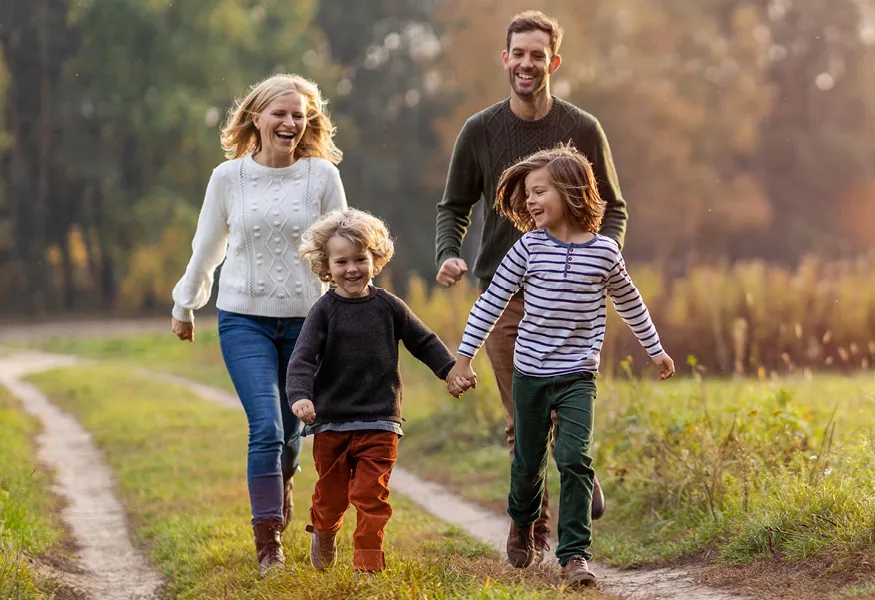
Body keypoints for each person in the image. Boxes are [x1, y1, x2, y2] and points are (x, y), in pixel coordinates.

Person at [435, 9, 625, 555]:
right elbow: (454, 206)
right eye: (517, 54)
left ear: (553, 62)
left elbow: (613, 207)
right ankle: (530, 529)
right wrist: (450, 253)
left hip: (572, 293)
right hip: (504, 292)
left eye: (537, 55)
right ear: (505, 59)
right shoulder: (480, 130)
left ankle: (576, 470)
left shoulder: (583, 128)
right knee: (523, 418)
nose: (526, 64)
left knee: (568, 406)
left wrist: (598, 261)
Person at [447, 145, 675, 586]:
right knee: (528, 463)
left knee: (574, 458)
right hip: (531, 374)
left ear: (570, 191)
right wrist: (463, 357)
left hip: (577, 375)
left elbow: (630, 302)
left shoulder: (605, 252)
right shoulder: (527, 248)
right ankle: (523, 522)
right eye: (527, 194)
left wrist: (656, 349)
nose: (529, 202)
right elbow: (491, 303)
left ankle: (574, 556)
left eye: (538, 192)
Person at [170, 74, 348, 577]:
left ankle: (283, 481)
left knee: (293, 434)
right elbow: (207, 247)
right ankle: (268, 543)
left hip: (306, 325)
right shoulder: (229, 178)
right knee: (266, 427)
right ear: (256, 117)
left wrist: (353, 311)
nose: (290, 123)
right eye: (280, 113)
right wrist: (187, 305)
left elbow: (344, 244)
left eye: (299, 115)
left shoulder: (321, 177)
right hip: (243, 318)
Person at [286, 208, 462, 575]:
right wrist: (300, 396)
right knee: (332, 496)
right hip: (332, 421)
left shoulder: (389, 307)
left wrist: (450, 371)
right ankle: (324, 528)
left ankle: (367, 563)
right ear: (326, 266)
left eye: (360, 259)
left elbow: (424, 341)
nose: (352, 269)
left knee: (371, 495)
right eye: (342, 261)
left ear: (375, 259)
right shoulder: (323, 311)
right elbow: (302, 359)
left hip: (381, 419)